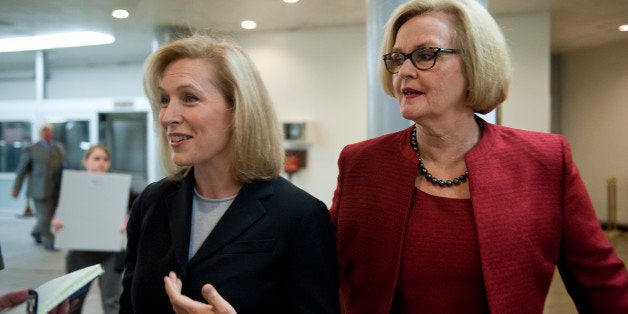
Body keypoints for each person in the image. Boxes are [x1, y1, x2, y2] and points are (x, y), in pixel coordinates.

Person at [329, 0, 628, 313]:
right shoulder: (361, 163)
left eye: (425, 55)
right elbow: (324, 276)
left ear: (476, 62)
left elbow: (603, 288)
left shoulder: (546, 160)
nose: (404, 71)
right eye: (396, 58)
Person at [120, 35, 339, 314]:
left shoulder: (299, 214)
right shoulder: (151, 203)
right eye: (164, 100)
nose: (167, 116)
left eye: (189, 98)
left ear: (238, 110)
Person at [51, 145, 123, 314]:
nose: (101, 163)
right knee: (74, 303)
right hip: (79, 255)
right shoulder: (73, 188)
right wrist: (58, 224)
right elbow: (59, 216)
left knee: (112, 302)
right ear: (85, 161)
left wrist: (124, 224)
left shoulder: (117, 188)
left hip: (110, 255)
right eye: (97, 158)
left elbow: (124, 217)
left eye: (105, 160)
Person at [11, 123, 67, 250]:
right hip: (39, 189)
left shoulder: (58, 147)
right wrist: (16, 188)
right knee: (44, 216)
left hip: (56, 189)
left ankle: (36, 232)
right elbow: (22, 170)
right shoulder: (32, 149)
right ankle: (50, 241)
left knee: (47, 215)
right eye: (45, 131)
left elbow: (65, 165)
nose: (48, 133)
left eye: (49, 131)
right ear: (40, 133)